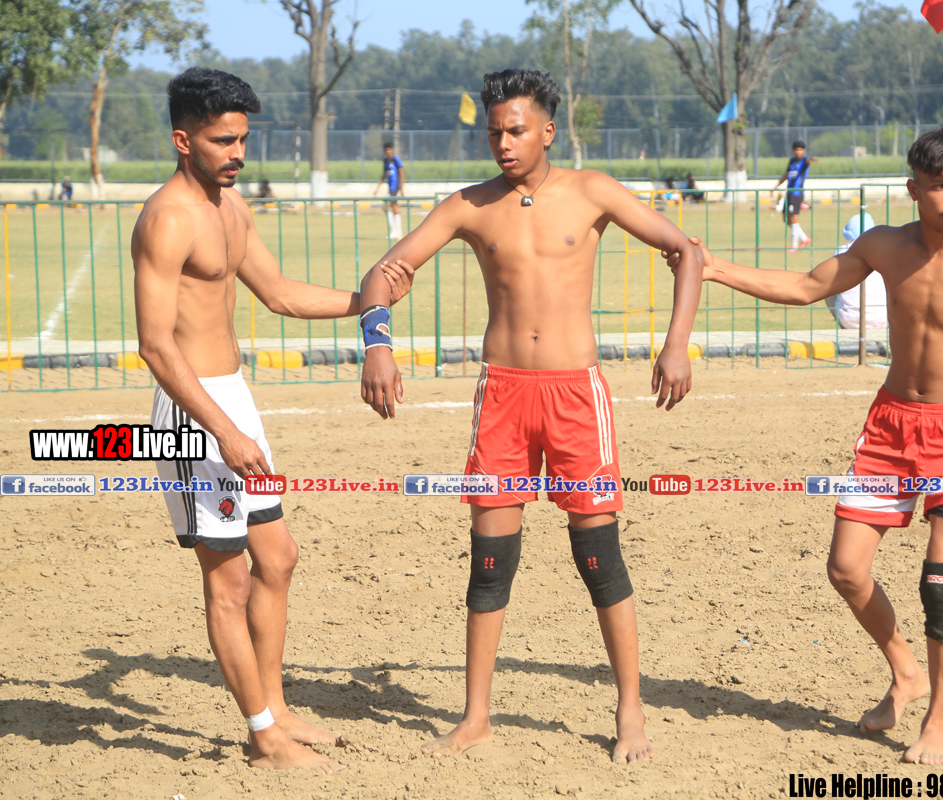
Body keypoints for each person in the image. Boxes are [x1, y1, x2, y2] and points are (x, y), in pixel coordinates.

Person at [666, 129, 943, 765]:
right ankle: (906, 671)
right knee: (846, 569)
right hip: (890, 428)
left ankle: (937, 722)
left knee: (940, 579)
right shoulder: (882, 246)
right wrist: (713, 268)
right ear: (914, 189)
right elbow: (804, 286)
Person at [358, 68, 703, 763]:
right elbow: (384, 273)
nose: (504, 144)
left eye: (515, 131)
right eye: (494, 133)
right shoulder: (468, 205)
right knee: (490, 563)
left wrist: (676, 345)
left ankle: (630, 710)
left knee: (598, 557)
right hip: (503, 397)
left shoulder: (592, 190)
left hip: (576, 395)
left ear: (547, 131)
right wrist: (378, 346)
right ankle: (475, 717)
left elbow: (685, 252)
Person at [131, 67, 410, 773]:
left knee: (278, 558)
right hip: (193, 415)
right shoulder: (167, 219)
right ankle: (262, 737)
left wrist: (369, 302)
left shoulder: (231, 207)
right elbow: (155, 345)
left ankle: (277, 711)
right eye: (222, 141)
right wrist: (222, 431)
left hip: (235, 399)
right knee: (227, 582)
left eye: (242, 139)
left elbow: (280, 294)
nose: (237, 153)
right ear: (183, 140)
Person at [825, 212, 887, 329]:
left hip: (851, 321)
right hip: (884, 319)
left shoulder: (841, 252)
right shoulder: (884, 250)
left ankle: (845, 326)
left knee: (828, 290)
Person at [772, 140, 818, 251]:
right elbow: (786, 175)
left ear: (803, 150)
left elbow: (808, 161)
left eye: (800, 150)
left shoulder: (804, 160)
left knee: (794, 218)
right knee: (786, 219)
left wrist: (811, 160)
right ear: (793, 151)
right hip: (789, 193)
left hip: (797, 194)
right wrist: (776, 186)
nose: (798, 152)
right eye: (796, 150)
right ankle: (804, 238)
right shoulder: (792, 161)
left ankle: (794, 245)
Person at [372, 143, 406, 240]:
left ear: (392, 150)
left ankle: (396, 231)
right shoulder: (385, 161)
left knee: (385, 206)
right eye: (386, 150)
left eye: (389, 149)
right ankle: (398, 232)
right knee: (394, 208)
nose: (388, 152)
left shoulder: (396, 160)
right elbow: (384, 175)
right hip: (390, 188)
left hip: (395, 187)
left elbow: (402, 174)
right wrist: (377, 189)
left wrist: (402, 189)